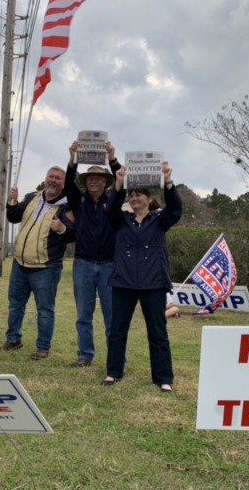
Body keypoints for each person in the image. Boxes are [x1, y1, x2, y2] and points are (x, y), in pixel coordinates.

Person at [101, 163, 182, 393]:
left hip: (153, 283)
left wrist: (168, 182)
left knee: (157, 332)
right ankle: (113, 372)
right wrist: (118, 185)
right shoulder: (121, 220)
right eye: (131, 194)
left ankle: (163, 378)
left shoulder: (160, 220)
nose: (135, 197)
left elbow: (175, 210)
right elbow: (111, 210)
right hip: (123, 283)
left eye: (139, 194)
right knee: (117, 330)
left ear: (149, 198)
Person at [0, 166, 75, 360]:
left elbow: (73, 233)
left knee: (45, 309)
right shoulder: (32, 196)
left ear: (63, 184)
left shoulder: (67, 206)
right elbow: (13, 217)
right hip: (20, 264)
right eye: (51, 177)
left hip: (46, 267)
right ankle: (13, 339)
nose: (53, 181)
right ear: (45, 178)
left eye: (58, 178)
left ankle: (42, 347)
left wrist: (61, 227)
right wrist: (12, 202)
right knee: (15, 304)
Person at [64, 140, 122, 368]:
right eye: (90, 179)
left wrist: (112, 159)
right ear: (85, 182)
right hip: (83, 264)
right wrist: (72, 158)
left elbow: (123, 182)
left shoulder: (114, 201)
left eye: (98, 178)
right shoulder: (78, 202)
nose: (94, 181)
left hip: (109, 265)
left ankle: (115, 357)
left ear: (106, 182)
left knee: (112, 316)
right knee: (83, 314)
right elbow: (69, 183)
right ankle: (85, 355)